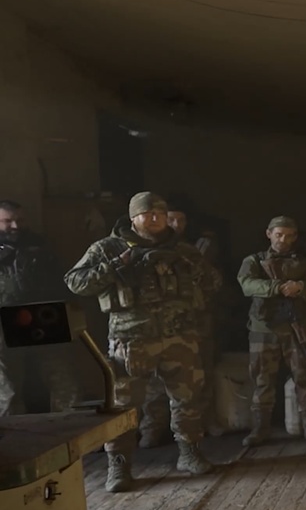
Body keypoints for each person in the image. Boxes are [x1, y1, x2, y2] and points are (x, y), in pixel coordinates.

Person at [64, 191, 221, 492]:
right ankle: (119, 467)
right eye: (147, 214)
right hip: (131, 338)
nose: (154, 219)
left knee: (188, 398)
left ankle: (189, 454)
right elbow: (75, 281)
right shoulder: (108, 247)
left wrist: (194, 266)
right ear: (133, 217)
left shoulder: (183, 249)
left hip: (180, 336)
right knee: (123, 404)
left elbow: (213, 283)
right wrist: (114, 265)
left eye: (159, 214)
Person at [237, 215, 306, 446]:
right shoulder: (254, 261)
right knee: (262, 379)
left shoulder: (305, 264)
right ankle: (260, 429)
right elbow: (247, 284)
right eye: (278, 235)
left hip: (295, 328)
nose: (283, 240)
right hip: (263, 329)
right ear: (268, 234)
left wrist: (301, 288)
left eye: (288, 236)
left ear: (295, 237)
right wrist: (278, 287)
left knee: (304, 377)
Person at [139, 205, 219, 444]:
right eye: (171, 219)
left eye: (181, 221)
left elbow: (213, 282)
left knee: (195, 379)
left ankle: (198, 427)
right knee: (154, 383)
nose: (176, 225)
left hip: (191, 324)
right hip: (153, 326)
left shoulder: (191, 252)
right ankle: (152, 428)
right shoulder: (142, 251)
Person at [0, 200, 77, 415]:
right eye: (7, 221)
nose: (15, 226)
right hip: (4, 320)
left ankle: (71, 427)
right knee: (7, 385)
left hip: (43, 315)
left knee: (61, 375)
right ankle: (15, 435)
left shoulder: (39, 244)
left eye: (19, 220)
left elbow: (59, 279)